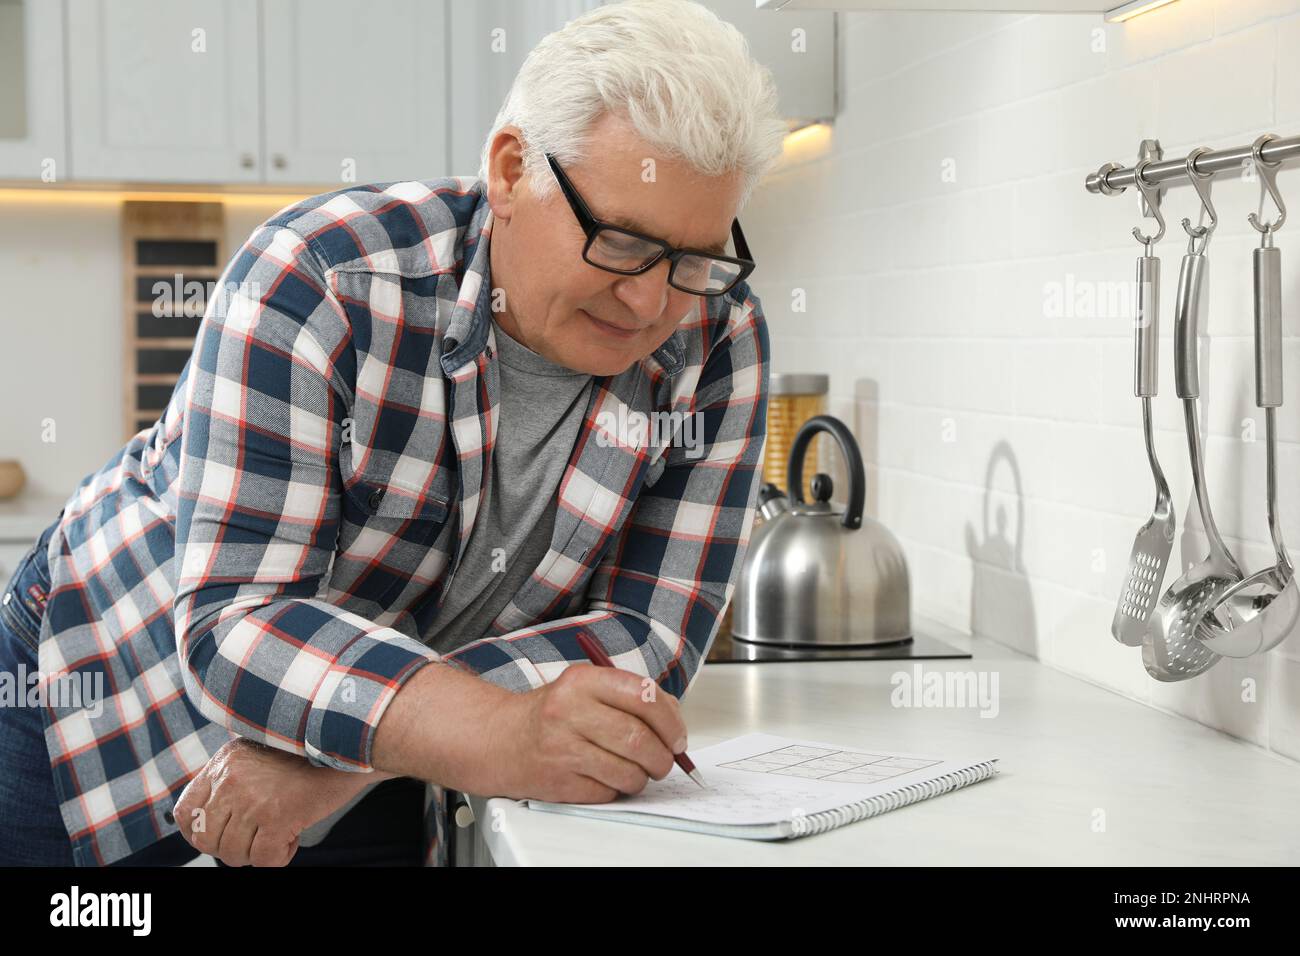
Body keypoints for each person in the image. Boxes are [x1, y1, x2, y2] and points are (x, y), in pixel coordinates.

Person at [0, 0, 784, 867]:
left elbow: (647, 635)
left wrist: (367, 761)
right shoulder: (319, 277)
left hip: (380, 737)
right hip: (111, 674)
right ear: (512, 170)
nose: (652, 304)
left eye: (694, 260)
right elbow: (237, 624)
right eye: (624, 243)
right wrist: (491, 728)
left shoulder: (719, 336)